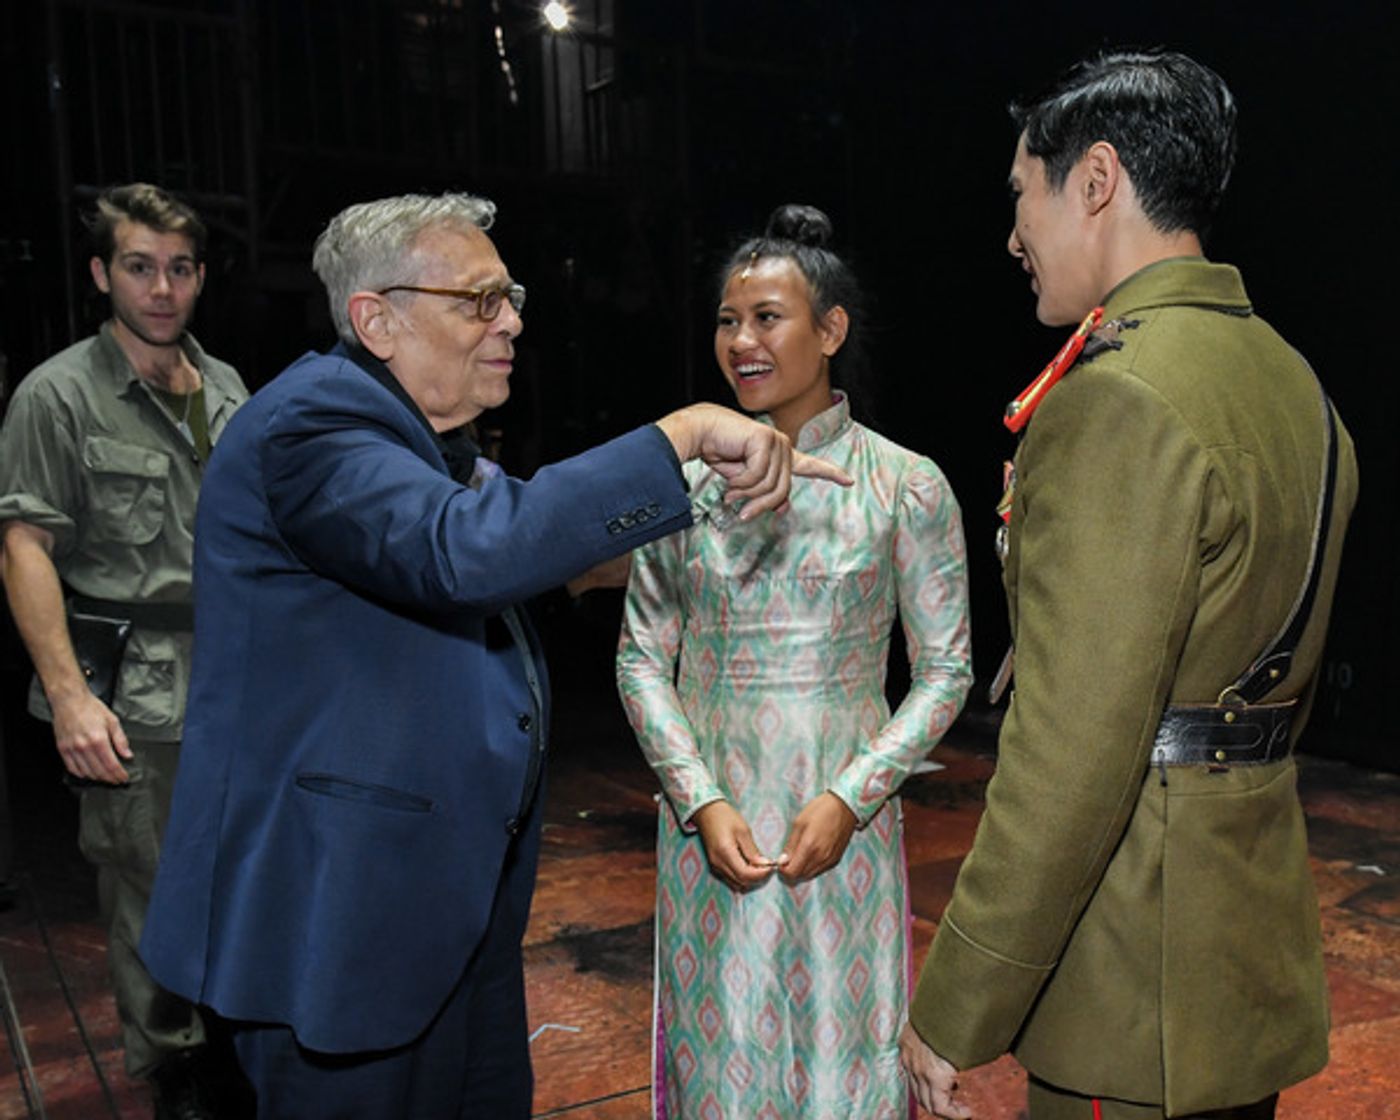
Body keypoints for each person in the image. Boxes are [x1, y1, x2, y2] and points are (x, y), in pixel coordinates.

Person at [137, 192, 851, 1119]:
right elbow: (467, 550)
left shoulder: (423, 442)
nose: (511, 319)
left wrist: (765, 542)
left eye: (508, 296)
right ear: (377, 319)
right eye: (479, 299)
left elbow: (536, 549)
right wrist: (681, 438)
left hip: (438, 913)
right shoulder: (312, 428)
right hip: (339, 921)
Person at [898, 50, 1359, 1120]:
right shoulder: (1290, 379)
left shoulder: (1116, 400)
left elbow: (1071, 754)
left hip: (1129, 984)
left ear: (1094, 180)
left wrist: (956, 1000)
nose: (1011, 237)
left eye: (1022, 196)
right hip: (1239, 965)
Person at [617, 204, 972, 1118]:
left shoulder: (905, 484)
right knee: (719, 1057)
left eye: (768, 317)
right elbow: (642, 660)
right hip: (711, 829)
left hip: (839, 828)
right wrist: (698, 795)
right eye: (729, 321)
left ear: (830, 330)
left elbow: (945, 671)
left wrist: (852, 795)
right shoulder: (680, 491)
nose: (742, 341)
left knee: (842, 1064)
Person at [0, 183, 249, 1118]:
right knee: (148, 887)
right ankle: (172, 1070)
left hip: (233, 676)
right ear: (104, 273)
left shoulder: (226, 388)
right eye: (140, 267)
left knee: (235, 875)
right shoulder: (58, 396)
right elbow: (25, 545)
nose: (162, 289)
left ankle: (228, 1051)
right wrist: (68, 697)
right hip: (131, 685)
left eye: (180, 269)